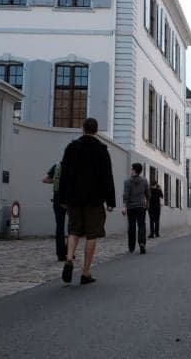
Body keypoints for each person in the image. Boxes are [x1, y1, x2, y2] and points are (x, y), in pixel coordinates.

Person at [58, 118, 116, 285]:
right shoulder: (101, 150)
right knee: (92, 234)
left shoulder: (72, 147)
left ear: (82, 129)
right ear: (96, 130)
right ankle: (85, 272)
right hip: (94, 199)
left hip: (74, 197)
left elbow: (64, 174)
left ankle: (69, 259)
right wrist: (110, 201)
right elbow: (107, 177)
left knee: (74, 230)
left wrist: (62, 198)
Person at [122, 163, 150, 254]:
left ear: (134, 170)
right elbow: (148, 193)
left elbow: (126, 195)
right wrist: (147, 203)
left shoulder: (127, 181)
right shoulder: (144, 180)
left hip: (131, 207)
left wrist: (124, 206)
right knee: (141, 225)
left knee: (132, 226)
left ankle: (131, 246)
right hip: (141, 206)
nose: (131, 170)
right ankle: (142, 243)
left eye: (131, 169)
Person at [42, 162, 67, 261]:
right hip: (70, 200)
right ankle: (69, 251)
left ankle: (60, 254)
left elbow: (45, 179)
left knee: (59, 227)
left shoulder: (57, 166)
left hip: (57, 199)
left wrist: (56, 181)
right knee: (73, 227)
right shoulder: (74, 165)